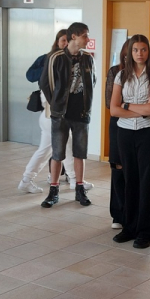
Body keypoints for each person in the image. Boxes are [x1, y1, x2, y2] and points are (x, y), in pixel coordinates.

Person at [19, 30, 92, 195]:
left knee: (53, 149)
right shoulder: (49, 59)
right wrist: (48, 67)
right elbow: (31, 76)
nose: (66, 43)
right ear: (57, 41)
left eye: (68, 40)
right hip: (50, 115)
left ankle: (29, 179)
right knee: (58, 148)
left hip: (60, 115)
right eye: (63, 40)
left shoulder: (74, 60)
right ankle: (71, 179)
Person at [110, 35, 150, 249]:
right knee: (129, 179)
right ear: (129, 52)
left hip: (147, 134)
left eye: (143, 49)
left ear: (148, 52)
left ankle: (146, 231)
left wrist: (127, 105)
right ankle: (129, 227)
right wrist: (140, 110)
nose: (139, 54)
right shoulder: (121, 75)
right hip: (125, 133)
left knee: (146, 181)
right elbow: (114, 110)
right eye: (135, 50)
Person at [40, 22, 96, 209]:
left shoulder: (87, 58)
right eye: (85, 35)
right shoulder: (56, 57)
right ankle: (53, 191)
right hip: (61, 113)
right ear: (74, 37)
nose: (87, 39)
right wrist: (55, 103)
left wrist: (86, 104)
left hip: (81, 112)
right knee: (57, 153)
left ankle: (80, 189)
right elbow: (45, 83)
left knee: (80, 152)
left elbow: (93, 81)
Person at [105, 39, 131, 230]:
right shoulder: (115, 71)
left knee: (134, 169)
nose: (136, 54)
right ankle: (118, 214)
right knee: (118, 167)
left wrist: (124, 104)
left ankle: (132, 213)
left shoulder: (149, 74)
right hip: (118, 124)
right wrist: (136, 106)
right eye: (131, 50)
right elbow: (110, 103)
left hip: (140, 125)